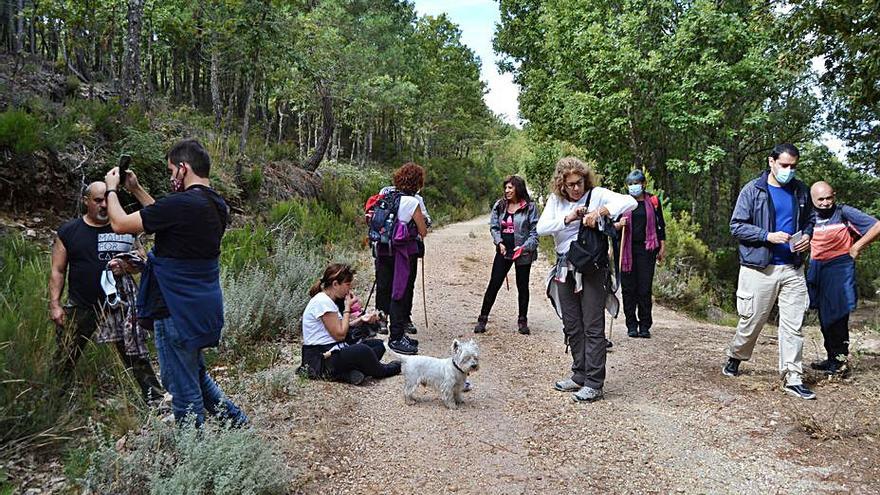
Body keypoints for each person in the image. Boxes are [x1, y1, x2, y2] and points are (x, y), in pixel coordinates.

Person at [103, 139, 248, 426]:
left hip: (175, 308)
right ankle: (238, 423)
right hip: (199, 305)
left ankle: (194, 457)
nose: (171, 177)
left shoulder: (183, 204)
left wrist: (111, 188)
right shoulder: (216, 204)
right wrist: (136, 189)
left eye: (172, 170)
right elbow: (166, 215)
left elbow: (119, 223)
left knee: (183, 391)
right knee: (193, 374)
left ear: (184, 168)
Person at [49, 181, 163, 403]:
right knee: (65, 356)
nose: (103, 205)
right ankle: (52, 402)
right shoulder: (69, 231)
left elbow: (142, 261)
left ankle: (156, 401)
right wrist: (55, 303)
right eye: (97, 200)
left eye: (106, 200)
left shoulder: (124, 226)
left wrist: (128, 266)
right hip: (82, 305)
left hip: (120, 307)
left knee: (136, 355)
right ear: (86, 201)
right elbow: (58, 269)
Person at [537, 157, 636, 402]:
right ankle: (579, 373)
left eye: (579, 182)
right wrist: (569, 218)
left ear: (585, 180)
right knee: (572, 323)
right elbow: (541, 228)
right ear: (561, 184)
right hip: (564, 267)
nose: (576, 188)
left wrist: (600, 211)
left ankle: (594, 382)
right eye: (570, 184)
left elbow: (630, 202)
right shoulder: (555, 201)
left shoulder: (598, 194)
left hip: (592, 267)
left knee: (593, 325)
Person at [723, 143, 816, 400]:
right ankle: (736, 355)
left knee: (793, 324)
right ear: (771, 162)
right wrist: (767, 236)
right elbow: (737, 226)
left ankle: (792, 376)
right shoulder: (753, 191)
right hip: (759, 268)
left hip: (793, 267)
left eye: (793, 166)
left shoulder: (801, 191)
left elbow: (810, 220)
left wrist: (807, 235)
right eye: (784, 165)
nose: (789, 171)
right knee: (752, 320)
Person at [807, 181, 880, 376]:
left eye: (829, 198)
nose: (825, 202)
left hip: (839, 266)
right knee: (824, 317)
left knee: (837, 316)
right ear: (812, 199)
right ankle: (832, 358)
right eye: (820, 199)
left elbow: (877, 226)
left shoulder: (844, 212)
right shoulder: (808, 216)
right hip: (817, 267)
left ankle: (840, 362)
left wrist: (856, 247)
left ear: (834, 196)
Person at [298, 263, 401, 384]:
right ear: (335, 284)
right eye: (347, 285)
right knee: (362, 350)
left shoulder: (329, 300)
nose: (349, 289)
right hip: (322, 357)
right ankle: (382, 370)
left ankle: (347, 374)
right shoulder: (323, 302)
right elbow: (340, 334)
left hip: (333, 349)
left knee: (378, 345)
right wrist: (347, 308)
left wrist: (361, 320)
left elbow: (341, 327)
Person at [373, 163, 429, 355]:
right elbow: (423, 231)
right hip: (402, 253)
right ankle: (396, 337)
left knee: (384, 285)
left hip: (382, 249)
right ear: (417, 182)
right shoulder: (412, 203)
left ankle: (384, 323)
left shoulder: (387, 196)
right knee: (400, 291)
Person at [474, 175, 539, 334]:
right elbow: (494, 227)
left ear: (518, 188)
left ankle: (522, 321)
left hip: (523, 252)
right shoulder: (500, 205)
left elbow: (535, 233)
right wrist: (499, 242)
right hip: (504, 251)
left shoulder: (530, 207)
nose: (507, 191)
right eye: (506, 188)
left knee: (522, 286)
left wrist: (524, 248)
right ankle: (482, 319)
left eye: (510, 187)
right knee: (494, 283)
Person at [613, 170, 666, 338]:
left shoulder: (653, 201)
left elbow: (660, 226)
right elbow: (610, 225)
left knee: (644, 289)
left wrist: (662, 246)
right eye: (630, 184)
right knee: (628, 289)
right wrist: (619, 224)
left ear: (644, 184)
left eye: (637, 183)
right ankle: (631, 324)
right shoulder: (622, 202)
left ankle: (645, 325)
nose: (633, 187)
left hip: (647, 249)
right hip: (625, 250)